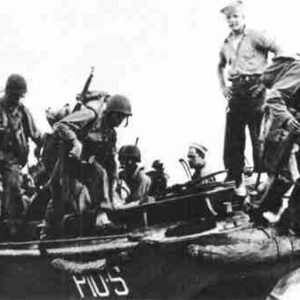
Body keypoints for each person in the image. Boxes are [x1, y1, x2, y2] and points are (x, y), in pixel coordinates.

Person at [43, 93, 132, 238]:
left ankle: (101, 219)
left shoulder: (110, 134)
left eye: (123, 117)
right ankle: (46, 230)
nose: (120, 120)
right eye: (118, 116)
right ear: (109, 113)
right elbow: (62, 125)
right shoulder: (91, 115)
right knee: (58, 193)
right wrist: (75, 142)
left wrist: (112, 190)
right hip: (68, 157)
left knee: (100, 172)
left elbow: (110, 163)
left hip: (87, 160)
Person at [217, 0, 282, 196]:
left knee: (259, 136)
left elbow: (279, 51)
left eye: (235, 16)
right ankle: (237, 181)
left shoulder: (255, 35)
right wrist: (223, 87)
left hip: (256, 90)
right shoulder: (227, 42)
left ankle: (262, 178)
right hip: (237, 92)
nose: (232, 21)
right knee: (234, 138)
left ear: (243, 17)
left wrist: (266, 82)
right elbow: (220, 66)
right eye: (229, 18)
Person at [252, 54, 300, 234]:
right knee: (283, 176)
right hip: (282, 129)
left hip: (292, 131)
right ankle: (261, 212)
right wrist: (287, 119)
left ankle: (284, 218)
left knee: (285, 176)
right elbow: (273, 96)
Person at [0, 74, 43, 238]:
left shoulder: (23, 111)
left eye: (20, 96)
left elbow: (35, 133)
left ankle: (11, 227)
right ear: (8, 92)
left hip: (13, 160)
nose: (17, 99)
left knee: (13, 186)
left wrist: (45, 144)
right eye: (14, 95)